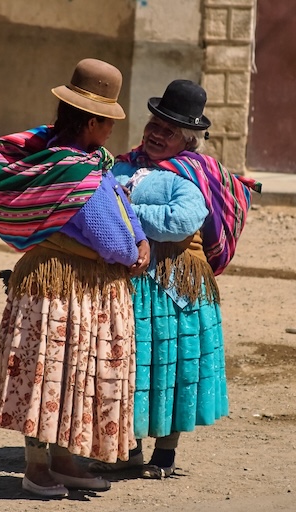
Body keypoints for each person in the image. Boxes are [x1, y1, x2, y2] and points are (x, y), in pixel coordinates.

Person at [0, 58, 150, 498]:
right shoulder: (73, 172)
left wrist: (139, 236)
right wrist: (134, 250)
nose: (111, 133)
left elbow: (122, 205)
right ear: (90, 121)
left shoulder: (78, 158)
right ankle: (37, 467)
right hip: (63, 287)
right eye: (107, 123)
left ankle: (64, 460)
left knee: (72, 372)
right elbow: (111, 237)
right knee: (51, 370)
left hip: (75, 286)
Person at [89, 79, 261, 479]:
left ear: (188, 140)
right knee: (130, 365)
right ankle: (128, 449)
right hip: (130, 284)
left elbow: (181, 222)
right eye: (154, 123)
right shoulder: (124, 163)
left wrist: (125, 213)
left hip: (175, 287)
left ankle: (164, 455)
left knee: (173, 366)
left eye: (168, 130)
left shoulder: (193, 174)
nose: (155, 134)